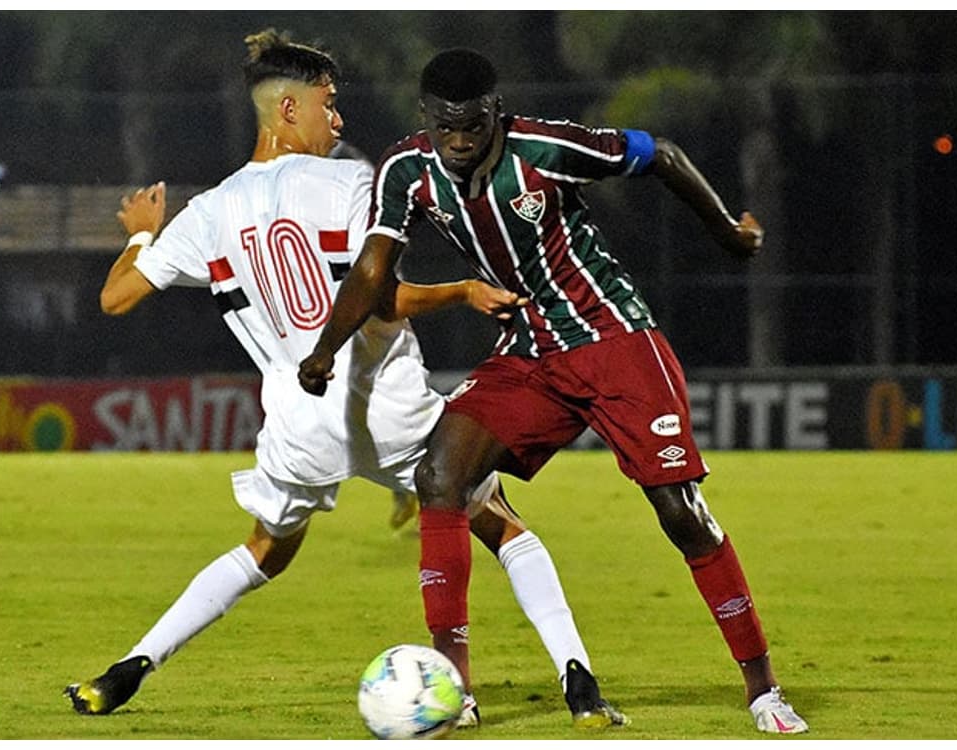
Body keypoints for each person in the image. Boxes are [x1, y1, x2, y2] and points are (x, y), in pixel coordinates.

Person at [65, 30, 625, 730]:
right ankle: (575, 682)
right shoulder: (355, 182)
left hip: (299, 424)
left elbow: (114, 298)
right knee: (500, 522)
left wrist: (144, 232)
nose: (340, 119)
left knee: (265, 550)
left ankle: (130, 669)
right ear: (289, 109)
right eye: (329, 105)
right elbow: (380, 300)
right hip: (386, 404)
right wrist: (459, 292)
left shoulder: (208, 211)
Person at [298, 47, 809, 735]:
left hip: (614, 340)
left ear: (495, 114)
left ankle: (764, 689)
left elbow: (657, 152)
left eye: (473, 126)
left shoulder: (545, 148)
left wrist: (724, 230)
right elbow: (371, 269)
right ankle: (451, 688)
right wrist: (325, 349)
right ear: (426, 118)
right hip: (530, 352)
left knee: (679, 511)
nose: (459, 140)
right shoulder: (405, 172)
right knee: (440, 474)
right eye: (446, 126)